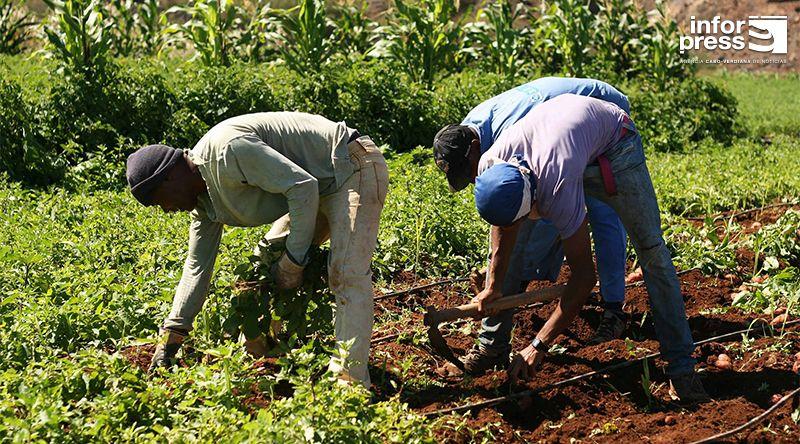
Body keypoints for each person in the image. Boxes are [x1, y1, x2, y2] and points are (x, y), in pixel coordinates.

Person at [472, 94, 708, 403]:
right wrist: (493, 287)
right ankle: (493, 345)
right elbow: (503, 228)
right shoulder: (491, 164)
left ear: (532, 200)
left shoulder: (556, 188)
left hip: (616, 143)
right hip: (569, 137)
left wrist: (538, 345)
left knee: (652, 253)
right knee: (514, 250)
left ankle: (682, 371)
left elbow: (584, 278)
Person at [125, 112, 388, 388]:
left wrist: (294, 262)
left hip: (350, 166)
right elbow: (196, 267)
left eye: (160, 202)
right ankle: (264, 360)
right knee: (260, 272)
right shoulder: (203, 204)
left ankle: (350, 385)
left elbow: (302, 187)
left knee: (346, 274)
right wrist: (172, 335)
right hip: (311, 187)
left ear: (169, 179)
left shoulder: (229, 151)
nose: (167, 210)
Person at [432, 78, 630, 374]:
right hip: (561, 133)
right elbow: (507, 222)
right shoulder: (465, 136)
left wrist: (503, 280)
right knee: (521, 226)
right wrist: (494, 285)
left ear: (476, 148)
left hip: (604, 116)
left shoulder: (514, 138)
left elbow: (539, 213)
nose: (474, 179)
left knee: (604, 211)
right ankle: (495, 343)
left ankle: (613, 310)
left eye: (469, 172)